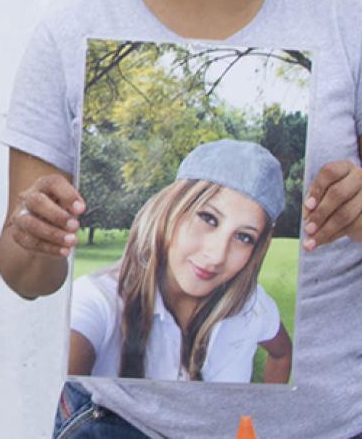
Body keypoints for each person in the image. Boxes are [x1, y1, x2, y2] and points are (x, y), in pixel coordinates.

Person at [0, 0, 362, 437]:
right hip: (122, 423)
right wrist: (32, 234)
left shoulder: (346, 22)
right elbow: (26, 277)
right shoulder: (68, 39)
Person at [68, 139, 292, 385]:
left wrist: (263, 420)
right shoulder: (99, 301)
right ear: (169, 210)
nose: (217, 256)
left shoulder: (252, 305)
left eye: (244, 237)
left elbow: (281, 354)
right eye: (208, 218)